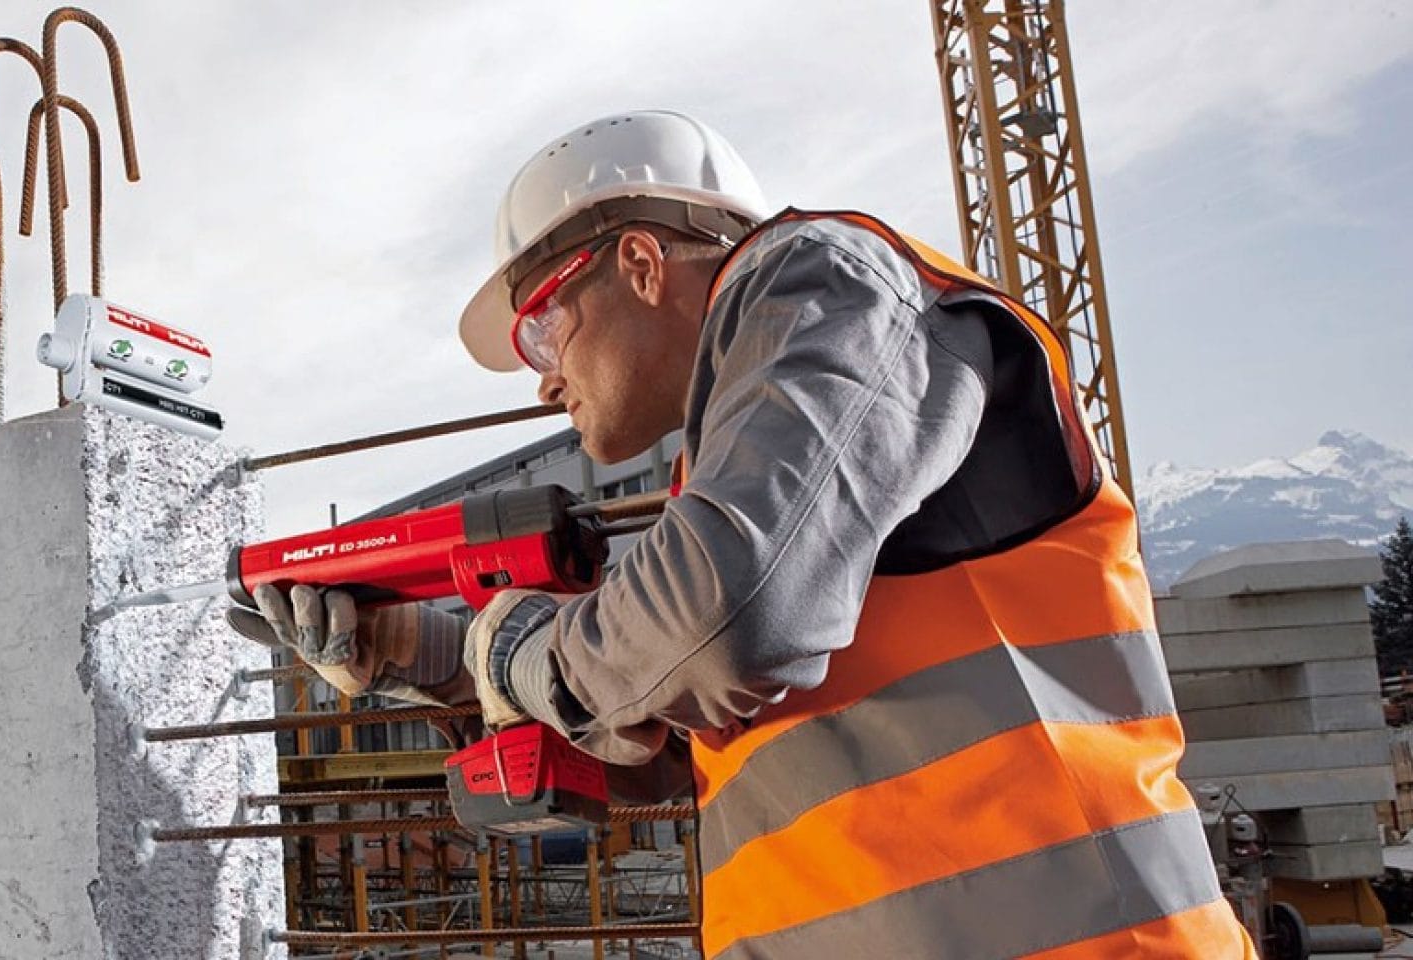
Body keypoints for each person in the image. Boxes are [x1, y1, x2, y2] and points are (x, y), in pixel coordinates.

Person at [230, 110, 1255, 958]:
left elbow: (729, 617)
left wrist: (514, 647)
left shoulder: (828, 282)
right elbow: (676, 727)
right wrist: (433, 656)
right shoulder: (742, 464)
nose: (544, 377)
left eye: (541, 326)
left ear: (637, 262)